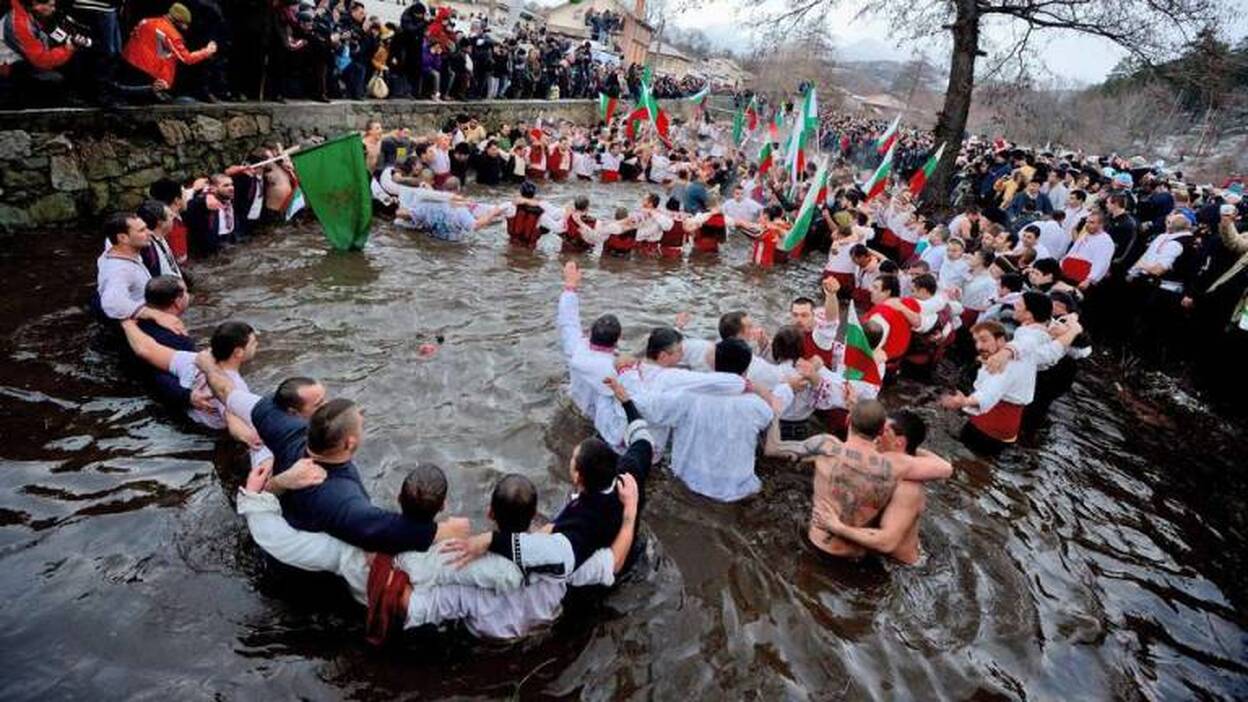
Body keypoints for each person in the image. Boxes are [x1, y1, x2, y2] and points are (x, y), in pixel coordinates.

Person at [195, 357, 458, 554]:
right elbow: (384, 531)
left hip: (288, 510)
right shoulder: (338, 495)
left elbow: (228, 393)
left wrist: (207, 366)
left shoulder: (286, 428)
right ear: (350, 443)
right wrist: (441, 531)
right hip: (296, 562)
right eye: (361, 425)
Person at [762, 399, 951, 560]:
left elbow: (773, 449)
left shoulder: (826, 445)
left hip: (817, 544)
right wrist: (911, 448)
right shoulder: (897, 465)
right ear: (878, 432)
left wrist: (774, 413)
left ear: (848, 420)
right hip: (856, 556)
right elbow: (946, 468)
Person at [635, 338, 797, 502]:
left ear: (713, 364)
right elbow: (777, 406)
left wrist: (630, 374)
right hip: (735, 487)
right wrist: (788, 387)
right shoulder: (756, 405)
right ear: (747, 368)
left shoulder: (687, 397)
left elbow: (653, 410)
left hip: (688, 479)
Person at [809, 410, 935, 564]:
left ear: (899, 442)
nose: (877, 433)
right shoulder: (883, 465)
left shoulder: (907, 489)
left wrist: (837, 527)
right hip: (873, 551)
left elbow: (888, 542)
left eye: (884, 431)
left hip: (899, 566)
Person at [940, 320, 1035, 448]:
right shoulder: (1025, 354)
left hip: (986, 428)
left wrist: (964, 401)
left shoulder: (1002, 366)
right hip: (1007, 430)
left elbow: (989, 393)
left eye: (984, 340)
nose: (979, 346)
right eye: (976, 341)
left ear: (1001, 340)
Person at [96, 212, 186, 336]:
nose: (149, 233)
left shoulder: (117, 252)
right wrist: (155, 314)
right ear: (123, 238)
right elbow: (112, 302)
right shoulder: (119, 269)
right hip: (137, 331)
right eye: (142, 230)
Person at [120, 2, 217, 96]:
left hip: (127, 64)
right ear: (179, 20)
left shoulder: (146, 21)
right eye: (185, 24)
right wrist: (207, 51)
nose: (186, 28)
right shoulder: (171, 33)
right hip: (145, 76)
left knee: (165, 55)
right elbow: (187, 59)